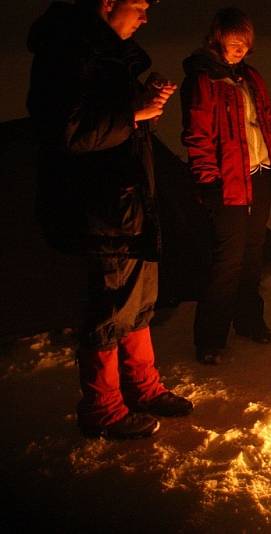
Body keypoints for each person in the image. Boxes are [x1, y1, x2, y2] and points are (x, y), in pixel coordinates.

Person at [27, 0, 193, 439]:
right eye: (138, 5)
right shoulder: (66, 54)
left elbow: (112, 123)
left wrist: (144, 104)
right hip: (97, 207)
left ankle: (144, 387)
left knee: (137, 303)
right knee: (107, 309)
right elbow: (68, 133)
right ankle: (102, 408)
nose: (145, 16)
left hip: (129, 200)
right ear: (107, 4)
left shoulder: (111, 58)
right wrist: (132, 114)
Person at [181, 7, 271, 365]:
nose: (240, 46)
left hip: (258, 174)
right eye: (233, 39)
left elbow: (267, 123)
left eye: (244, 40)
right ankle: (210, 338)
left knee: (253, 252)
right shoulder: (203, 80)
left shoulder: (249, 77)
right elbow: (197, 136)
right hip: (227, 181)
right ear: (217, 38)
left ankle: (249, 321)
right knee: (227, 259)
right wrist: (207, 180)